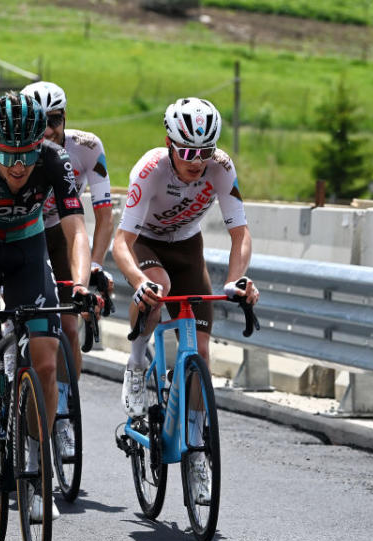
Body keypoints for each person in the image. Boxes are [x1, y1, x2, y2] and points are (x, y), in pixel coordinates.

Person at [0, 92, 92, 520]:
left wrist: (82, 284)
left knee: (46, 364)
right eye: (9, 155)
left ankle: (34, 455)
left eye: (27, 154)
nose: (19, 166)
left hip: (29, 248)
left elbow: (76, 229)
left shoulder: (53, 159)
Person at [111, 96, 259, 504]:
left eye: (205, 151)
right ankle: (137, 363)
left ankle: (195, 451)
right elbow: (120, 242)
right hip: (147, 244)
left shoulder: (221, 167)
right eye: (188, 151)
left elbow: (240, 233)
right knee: (158, 286)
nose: (197, 161)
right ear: (169, 143)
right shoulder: (151, 168)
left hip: (187, 244)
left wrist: (237, 280)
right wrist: (138, 281)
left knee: (203, 355)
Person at [20, 80, 114, 458]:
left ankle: (60, 415)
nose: (48, 131)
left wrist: (92, 268)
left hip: (61, 230)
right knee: (24, 324)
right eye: (39, 122)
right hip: (23, 230)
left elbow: (104, 217)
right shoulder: (17, 149)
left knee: (70, 325)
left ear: (66, 118)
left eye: (55, 120)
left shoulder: (88, 148)